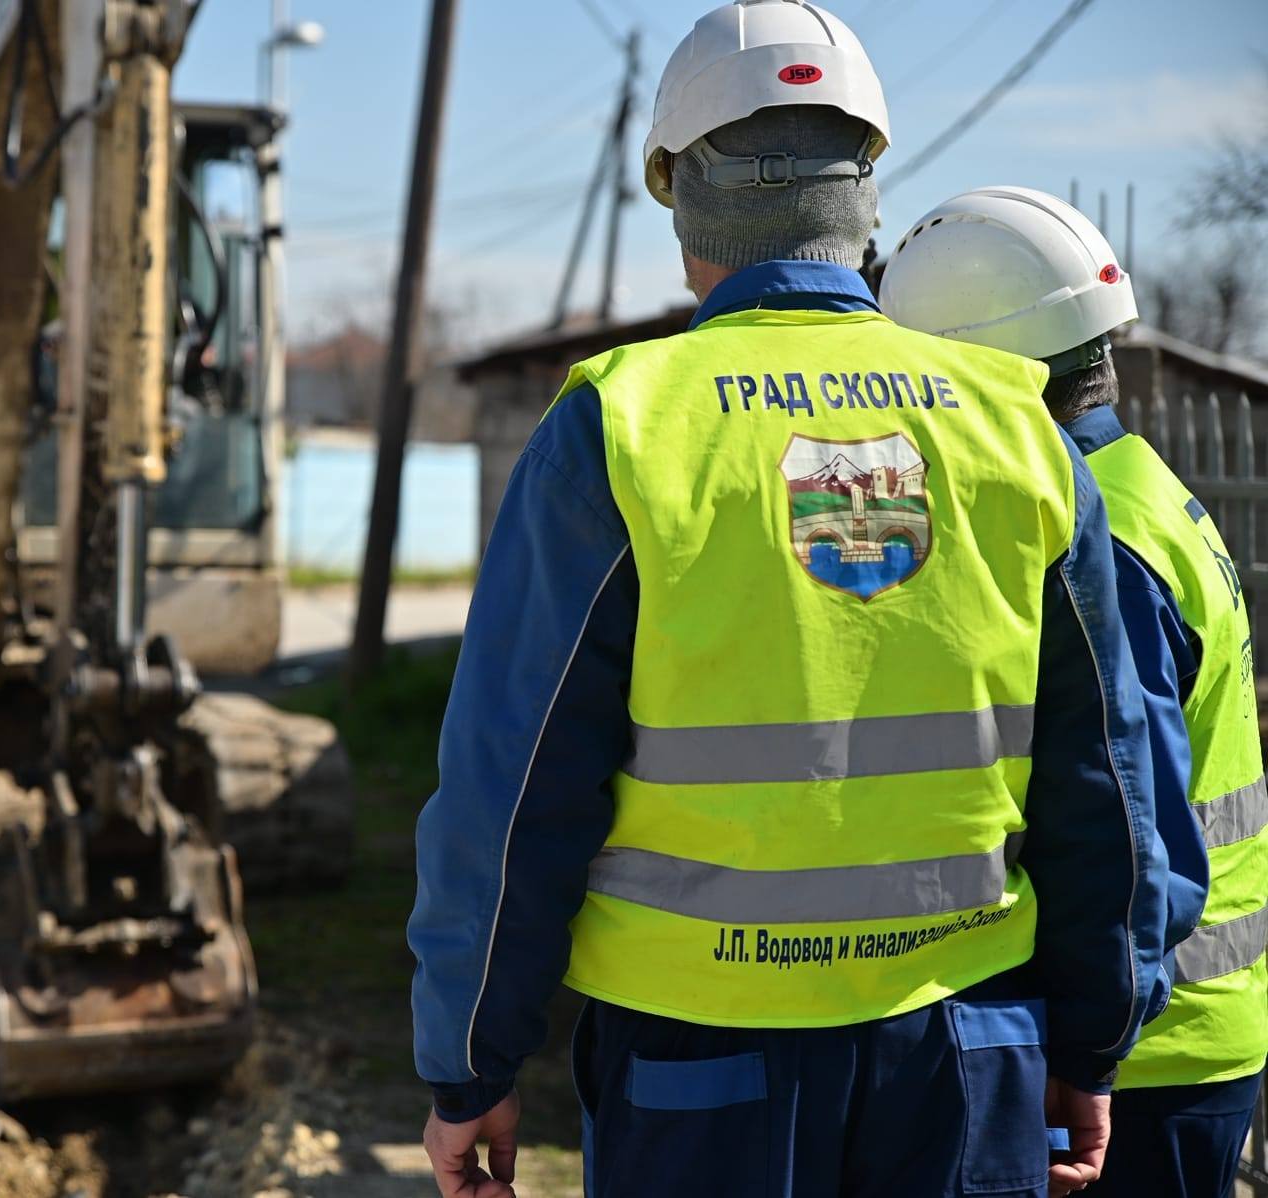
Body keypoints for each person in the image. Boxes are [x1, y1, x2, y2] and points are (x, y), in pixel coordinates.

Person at [405, 3, 1178, 1195]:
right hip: (965, 1051)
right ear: (867, 188)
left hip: (698, 1061)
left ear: (678, 192)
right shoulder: (1017, 424)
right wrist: (1093, 1036)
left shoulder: (622, 426)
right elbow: (1108, 774)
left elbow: (513, 788)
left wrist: (472, 1059)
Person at [881, 185, 1260, 1198]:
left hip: (1142, 1052)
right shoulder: (1138, 488)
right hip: (1173, 1031)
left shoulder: (1103, 539)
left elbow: (1126, 817)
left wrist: (1088, 1033)